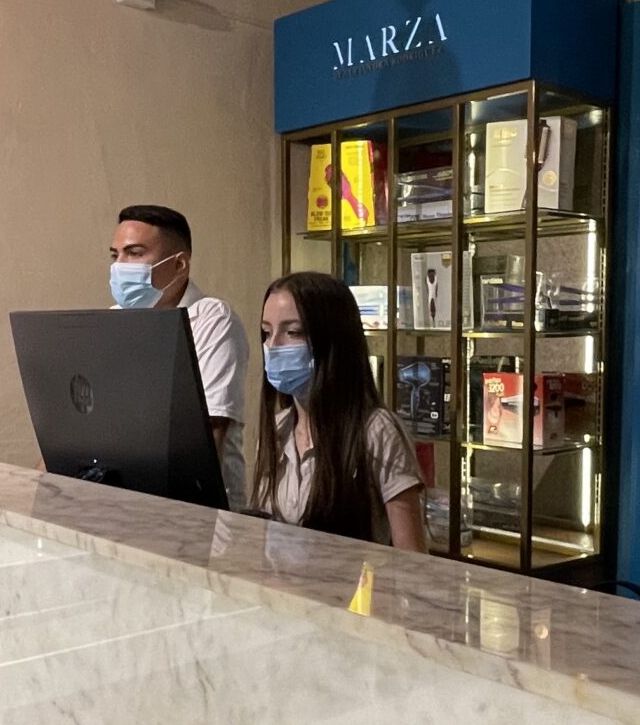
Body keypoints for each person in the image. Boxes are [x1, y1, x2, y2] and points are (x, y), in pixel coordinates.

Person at [251, 271, 428, 550]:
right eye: (266, 333)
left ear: (332, 339)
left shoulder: (377, 431)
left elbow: (413, 557)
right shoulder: (277, 429)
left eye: (292, 332)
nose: (272, 346)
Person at [110, 204, 248, 502]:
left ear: (179, 264)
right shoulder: (114, 318)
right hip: (125, 500)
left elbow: (210, 434)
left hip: (197, 507)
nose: (119, 266)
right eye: (115, 255)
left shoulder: (211, 319)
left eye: (134, 253)